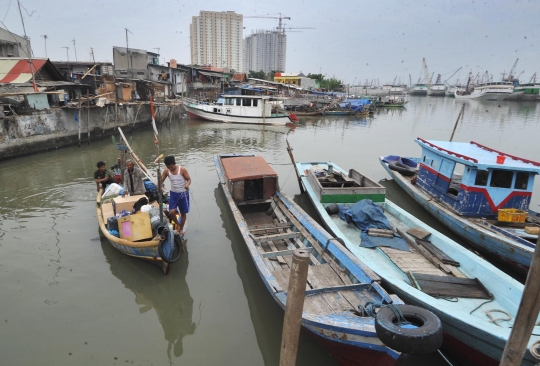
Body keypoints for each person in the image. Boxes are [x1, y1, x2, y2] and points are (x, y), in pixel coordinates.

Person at [161, 155, 191, 235]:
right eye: (168, 167)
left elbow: (188, 179)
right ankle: (178, 224)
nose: (170, 169)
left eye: (171, 167)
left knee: (183, 213)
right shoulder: (166, 171)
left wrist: (187, 184)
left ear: (175, 163)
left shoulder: (182, 170)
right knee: (171, 212)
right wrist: (158, 184)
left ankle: (181, 228)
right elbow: (161, 180)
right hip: (173, 194)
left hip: (183, 194)